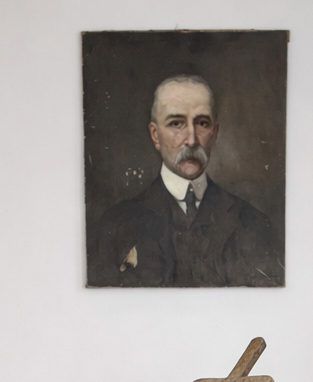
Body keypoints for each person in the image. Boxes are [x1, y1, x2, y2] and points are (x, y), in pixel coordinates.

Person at [87, 74, 283, 287]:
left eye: (202, 123)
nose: (191, 139)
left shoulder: (253, 224)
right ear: (155, 135)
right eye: (176, 123)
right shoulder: (115, 227)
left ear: (215, 133)